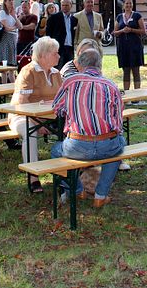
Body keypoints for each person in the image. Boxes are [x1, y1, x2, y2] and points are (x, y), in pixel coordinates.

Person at [52, 48, 125, 207]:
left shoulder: (70, 81)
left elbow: (57, 108)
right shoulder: (111, 85)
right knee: (119, 146)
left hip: (77, 146)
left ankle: (77, 190)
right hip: (107, 145)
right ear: (100, 64)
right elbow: (118, 122)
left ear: (79, 64)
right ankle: (101, 194)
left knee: (55, 151)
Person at [8, 37, 64, 191]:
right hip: (22, 115)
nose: (59, 56)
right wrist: (38, 123)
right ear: (43, 55)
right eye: (55, 53)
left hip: (49, 116)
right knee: (29, 132)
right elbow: (22, 102)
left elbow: (62, 97)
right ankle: (33, 176)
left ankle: (67, 173)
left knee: (72, 129)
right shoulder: (28, 71)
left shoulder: (56, 73)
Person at [113, 0, 145, 90]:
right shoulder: (119, 17)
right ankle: (127, 95)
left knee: (136, 71)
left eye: (130, 3)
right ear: (123, 5)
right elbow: (115, 33)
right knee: (126, 71)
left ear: (132, 5)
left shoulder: (137, 16)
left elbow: (143, 31)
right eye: (126, 3)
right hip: (123, 47)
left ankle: (137, 95)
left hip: (135, 47)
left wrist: (131, 30)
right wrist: (123, 30)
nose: (128, 5)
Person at [0, 0, 24, 82]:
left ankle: (12, 87)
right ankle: (4, 86)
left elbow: (21, 26)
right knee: (5, 67)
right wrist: (15, 27)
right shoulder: (3, 12)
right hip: (5, 39)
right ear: (5, 2)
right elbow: (7, 28)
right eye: (9, 0)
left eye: (12, 0)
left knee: (12, 67)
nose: (11, 2)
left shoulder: (12, 13)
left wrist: (14, 16)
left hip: (13, 39)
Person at [45, 0, 78, 69]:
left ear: (71, 6)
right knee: (57, 69)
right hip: (58, 48)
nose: (64, 7)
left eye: (67, 5)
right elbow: (48, 34)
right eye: (63, 5)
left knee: (69, 69)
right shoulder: (54, 17)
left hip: (69, 48)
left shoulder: (74, 19)